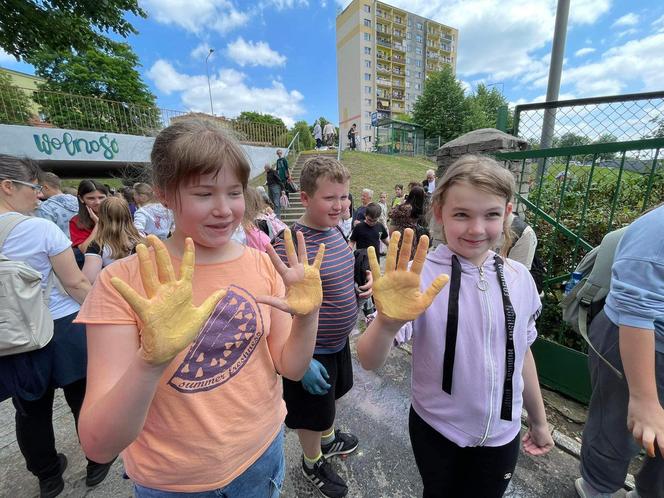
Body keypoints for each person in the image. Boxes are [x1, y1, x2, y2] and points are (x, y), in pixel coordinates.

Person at [75, 117, 325, 497]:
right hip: (173, 482)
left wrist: (307, 316)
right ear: (164, 193)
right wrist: (151, 360)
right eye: (205, 194)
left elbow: (290, 367)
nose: (224, 209)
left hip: (261, 457)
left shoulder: (262, 264)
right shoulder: (123, 283)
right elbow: (98, 445)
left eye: (234, 192)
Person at [358, 154, 554, 497]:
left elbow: (521, 354)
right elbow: (368, 360)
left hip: (502, 435)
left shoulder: (520, 278)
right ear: (439, 214)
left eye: (491, 214)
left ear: (508, 213)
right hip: (437, 430)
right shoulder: (418, 278)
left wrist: (538, 421)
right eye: (461, 214)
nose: (477, 229)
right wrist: (387, 323)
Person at [0, 155, 114, 498]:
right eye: (34, 188)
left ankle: (48, 477)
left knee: (30, 410)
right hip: (62, 326)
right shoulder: (38, 228)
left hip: (13, 336)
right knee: (83, 398)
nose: (39, 196)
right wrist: (106, 315)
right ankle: (97, 461)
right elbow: (76, 284)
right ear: (8, 187)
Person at [272, 155, 372, 498]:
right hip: (310, 352)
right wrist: (301, 363)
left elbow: (336, 276)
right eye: (330, 198)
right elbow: (278, 307)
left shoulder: (334, 229)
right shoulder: (289, 245)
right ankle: (312, 460)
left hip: (338, 343)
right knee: (311, 415)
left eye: (344, 197)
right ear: (305, 198)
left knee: (329, 401)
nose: (341, 205)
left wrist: (361, 287)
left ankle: (328, 441)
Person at [575, 203, 664, 498]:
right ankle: (597, 488)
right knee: (615, 425)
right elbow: (635, 306)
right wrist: (644, 398)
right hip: (638, 339)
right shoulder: (657, 227)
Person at [82, 196, 144, 283]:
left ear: (102, 217)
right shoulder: (140, 238)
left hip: (113, 288)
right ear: (128, 214)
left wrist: (97, 224)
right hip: (137, 286)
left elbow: (89, 279)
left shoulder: (98, 245)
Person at [69, 180, 109, 268]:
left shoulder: (117, 214)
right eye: (91, 198)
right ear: (81, 199)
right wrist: (98, 224)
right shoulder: (76, 221)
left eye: (101, 197)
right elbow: (85, 249)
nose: (97, 202)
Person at [34, 172, 79, 238]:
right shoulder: (77, 200)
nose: (38, 191)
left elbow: (45, 235)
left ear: (46, 187)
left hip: (61, 246)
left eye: (39, 188)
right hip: (81, 243)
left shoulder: (45, 208)